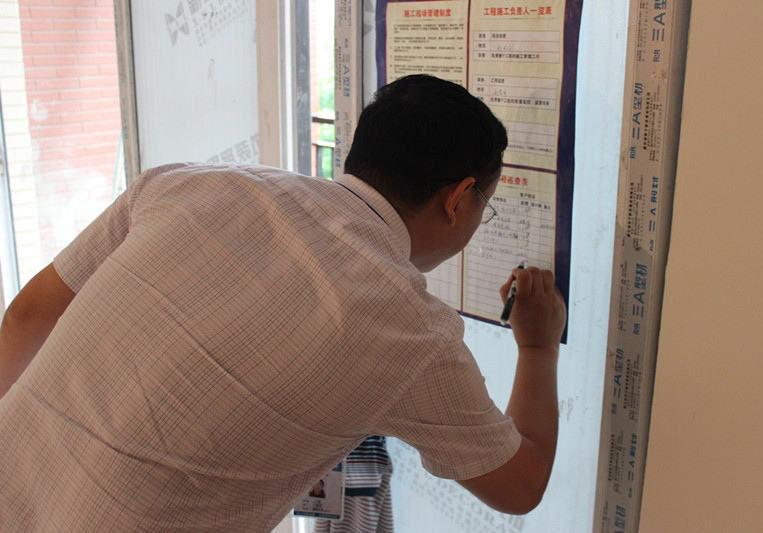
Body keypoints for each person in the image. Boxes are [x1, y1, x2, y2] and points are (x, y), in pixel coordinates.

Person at [0, 74, 566, 532]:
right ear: (459, 198)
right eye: (485, 205)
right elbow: (520, 486)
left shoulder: (182, 185)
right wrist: (538, 348)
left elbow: (27, 316)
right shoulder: (411, 334)